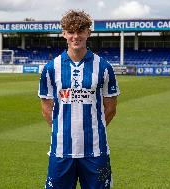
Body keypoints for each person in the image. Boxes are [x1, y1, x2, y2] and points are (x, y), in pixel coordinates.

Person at [38, 9, 120, 189]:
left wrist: (92, 129)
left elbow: (111, 109)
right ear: (64, 34)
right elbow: (46, 109)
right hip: (61, 150)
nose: (76, 36)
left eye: (80, 31)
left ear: (88, 33)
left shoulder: (104, 67)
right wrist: (64, 130)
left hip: (96, 152)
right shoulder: (51, 68)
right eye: (71, 31)